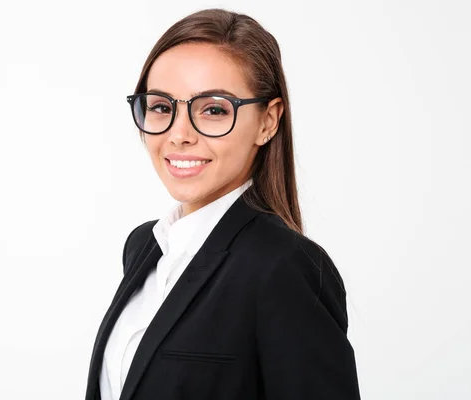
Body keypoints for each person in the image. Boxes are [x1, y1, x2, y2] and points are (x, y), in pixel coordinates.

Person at [85, 8, 360, 400]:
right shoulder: (144, 246)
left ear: (268, 121)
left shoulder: (284, 268)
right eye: (162, 106)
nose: (179, 135)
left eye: (213, 110)